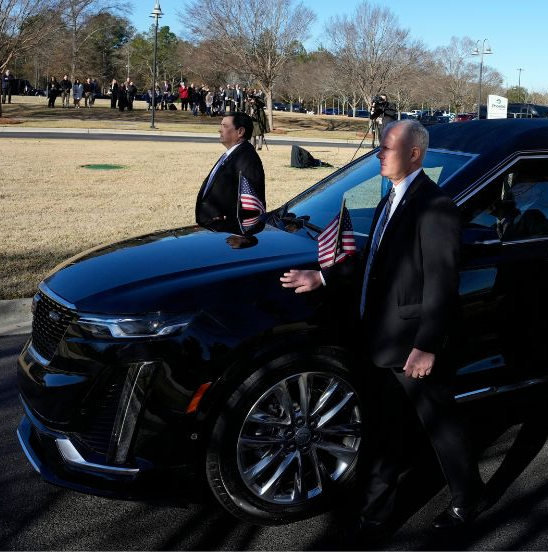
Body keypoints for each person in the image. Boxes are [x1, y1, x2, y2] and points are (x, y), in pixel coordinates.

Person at [280, 119, 483, 539]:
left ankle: (467, 498)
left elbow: (443, 283)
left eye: (387, 148)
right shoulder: (389, 198)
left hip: (412, 346)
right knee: (384, 429)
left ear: (414, 154)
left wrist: (426, 346)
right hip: (380, 339)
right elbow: (374, 264)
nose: (379, 154)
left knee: (440, 427)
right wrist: (323, 277)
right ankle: (373, 516)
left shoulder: (435, 207)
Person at [194, 112, 266, 235]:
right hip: (215, 229)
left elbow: (252, 205)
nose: (219, 130)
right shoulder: (232, 153)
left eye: (225, 126)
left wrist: (241, 235)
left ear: (240, 132)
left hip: (228, 232)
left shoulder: (247, 159)